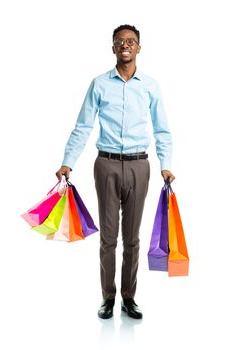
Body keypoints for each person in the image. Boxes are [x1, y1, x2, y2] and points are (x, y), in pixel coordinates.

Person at [56, 24, 175, 319]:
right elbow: (83, 126)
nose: (126, 45)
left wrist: (166, 165)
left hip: (139, 166)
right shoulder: (99, 84)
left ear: (138, 48)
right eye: (120, 41)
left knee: (132, 238)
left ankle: (129, 297)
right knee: (109, 237)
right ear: (113, 48)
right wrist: (67, 161)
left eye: (131, 41)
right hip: (106, 165)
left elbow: (162, 130)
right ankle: (107, 297)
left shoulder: (150, 86)